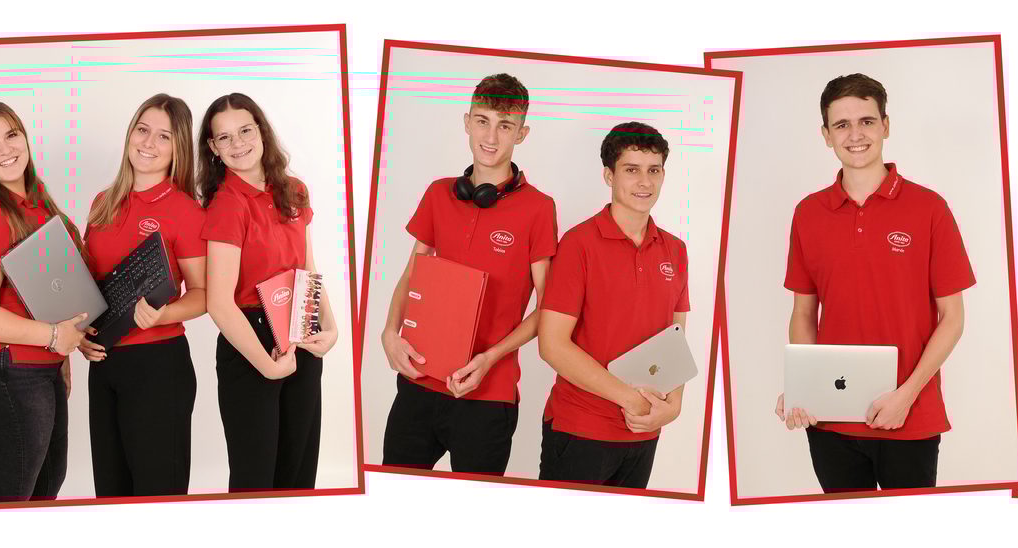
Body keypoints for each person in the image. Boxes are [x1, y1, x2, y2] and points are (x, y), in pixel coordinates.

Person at [775, 73, 975, 492]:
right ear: (826, 135)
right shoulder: (808, 213)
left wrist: (905, 395)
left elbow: (952, 318)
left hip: (910, 416)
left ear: (886, 125)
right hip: (832, 419)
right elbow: (803, 312)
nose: (855, 135)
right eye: (842, 125)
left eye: (866, 121)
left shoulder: (929, 207)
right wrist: (801, 386)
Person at [381, 74, 556, 475]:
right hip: (419, 381)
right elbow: (411, 275)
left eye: (505, 125)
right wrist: (390, 332)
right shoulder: (438, 193)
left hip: (488, 396)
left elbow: (547, 307)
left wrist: (490, 359)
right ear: (466, 121)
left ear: (522, 133)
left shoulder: (539, 208)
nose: (491, 136)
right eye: (482, 121)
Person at [535, 122, 687, 488]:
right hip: (581, 430)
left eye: (654, 170)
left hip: (644, 432)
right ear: (608, 175)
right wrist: (630, 399)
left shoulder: (675, 249)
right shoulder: (578, 244)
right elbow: (552, 344)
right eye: (631, 170)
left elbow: (676, 338)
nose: (644, 182)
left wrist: (673, 407)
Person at [200, 92, 338, 491]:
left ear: (261, 130)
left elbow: (308, 268)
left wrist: (330, 326)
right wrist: (267, 365)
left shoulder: (293, 190)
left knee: (298, 471)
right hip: (250, 340)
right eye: (224, 138)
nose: (238, 144)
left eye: (245, 130)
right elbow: (219, 304)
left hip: (299, 324)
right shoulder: (227, 204)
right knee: (256, 479)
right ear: (213, 148)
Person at [0, 100, 86, 502]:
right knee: (14, 497)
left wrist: (59, 357)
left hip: (40, 364)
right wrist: (51, 338)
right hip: (5, 368)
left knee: (46, 488)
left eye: (11, 134)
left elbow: (54, 286)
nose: (5, 149)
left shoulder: (36, 198)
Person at [75, 94, 207, 496]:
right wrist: (81, 334)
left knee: (156, 496)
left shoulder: (186, 210)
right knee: (111, 493)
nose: (148, 143)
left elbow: (204, 293)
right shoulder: (103, 202)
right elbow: (90, 286)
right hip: (106, 365)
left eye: (163, 136)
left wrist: (161, 315)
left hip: (158, 367)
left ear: (178, 148)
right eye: (142, 129)